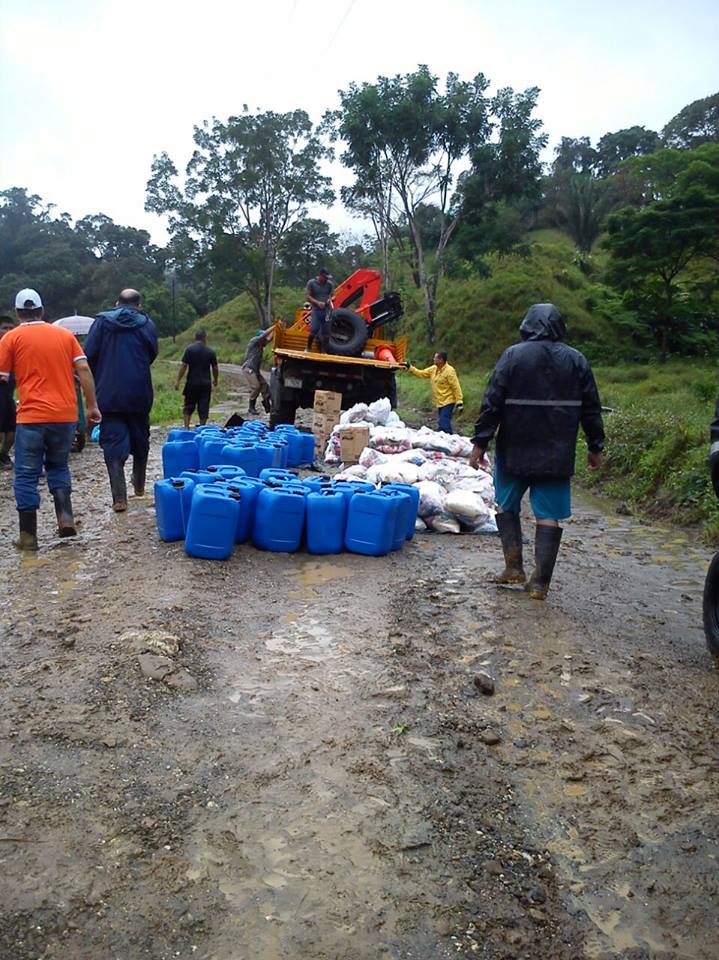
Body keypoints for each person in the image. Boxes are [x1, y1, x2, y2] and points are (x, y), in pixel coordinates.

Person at [470, 303, 604, 600]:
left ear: (527, 325)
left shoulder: (513, 356)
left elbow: (492, 401)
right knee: (548, 514)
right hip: (556, 452)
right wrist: (596, 446)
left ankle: (513, 567)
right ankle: (540, 583)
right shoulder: (577, 360)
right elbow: (591, 408)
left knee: (506, 504)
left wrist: (480, 443)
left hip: (513, 448)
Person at [0, 289, 101, 550]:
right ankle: (65, 519)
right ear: (42, 311)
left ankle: (28, 536)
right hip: (64, 416)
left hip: (31, 417)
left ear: (18, 313)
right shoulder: (65, 336)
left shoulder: (11, 338)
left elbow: (1, 377)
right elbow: (84, 368)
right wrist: (91, 406)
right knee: (58, 466)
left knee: (25, 474)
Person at [84, 288, 158, 513]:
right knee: (140, 439)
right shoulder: (146, 324)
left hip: (109, 394)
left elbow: (88, 355)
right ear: (139, 305)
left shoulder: (101, 322)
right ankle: (139, 483)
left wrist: (100, 377)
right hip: (138, 393)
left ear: (117, 304)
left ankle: (119, 498)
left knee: (113, 444)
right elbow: (152, 353)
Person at [404, 351, 464, 433]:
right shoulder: (433, 369)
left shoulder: (450, 371)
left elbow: (456, 387)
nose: (434, 359)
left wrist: (459, 401)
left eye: (435, 358)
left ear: (441, 360)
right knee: (442, 423)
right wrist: (410, 367)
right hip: (439, 401)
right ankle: (446, 438)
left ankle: (448, 439)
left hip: (448, 401)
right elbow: (421, 373)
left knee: (443, 424)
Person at [175, 329, 218, 428]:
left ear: (195, 338)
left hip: (192, 383)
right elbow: (215, 368)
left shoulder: (189, 349)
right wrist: (215, 380)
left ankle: (186, 427)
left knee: (188, 405)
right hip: (205, 383)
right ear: (204, 338)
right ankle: (202, 428)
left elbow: (183, 366)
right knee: (203, 406)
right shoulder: (210, 351)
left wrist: (178, 380)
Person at [241, 327, 274, 415]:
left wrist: (277, 329)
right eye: (263, 339)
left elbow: (269, 338)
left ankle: (267, 406)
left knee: (265, 386)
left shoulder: (260, 345)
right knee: (256, 386)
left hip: (255, 370)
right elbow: (265, 336)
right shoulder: (254, 341)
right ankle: (251, 408)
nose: (265, 341)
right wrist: (274, 326)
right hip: (248, 368)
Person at [0, 315, 18, 469]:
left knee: (12, 430)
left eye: (11, 328)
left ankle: (3, 454)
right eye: (4, 328)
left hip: (8, 395)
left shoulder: (16, 348)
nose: (8, 331)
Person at [305, 267, 334, 353]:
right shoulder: (312, 283)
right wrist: (317, 303)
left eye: (327, 278)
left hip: (327, 310)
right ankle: (308, 348)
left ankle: (324, 351)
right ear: (320, 276)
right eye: (325, 277)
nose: (326, 279)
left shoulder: (329, 284)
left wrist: (331, 299)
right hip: (316, 309)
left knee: (327, 332)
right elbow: (308, 296)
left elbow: (333, 295)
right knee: (314, 329)